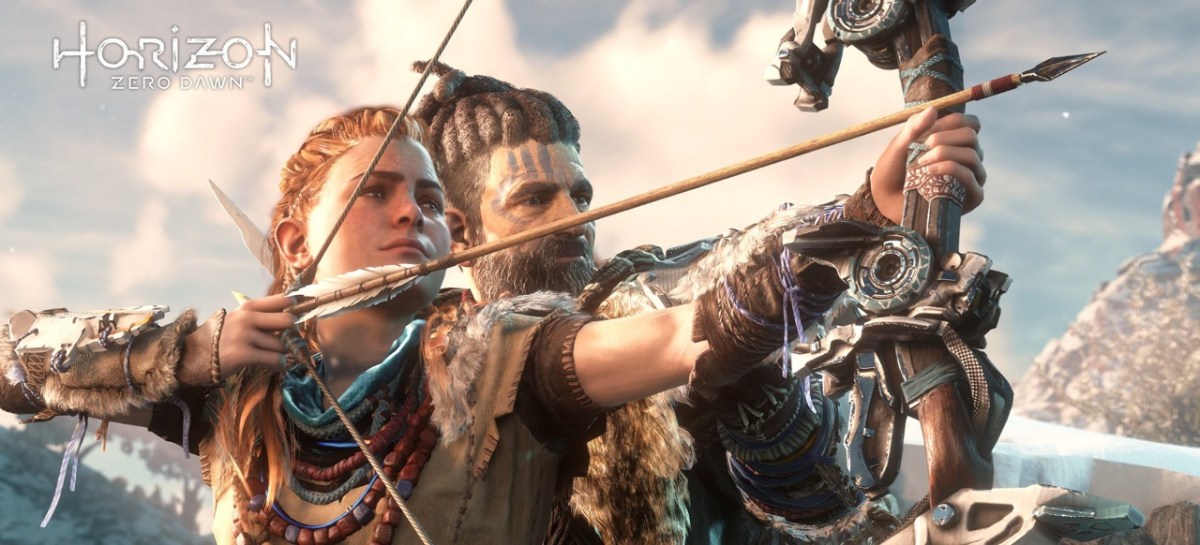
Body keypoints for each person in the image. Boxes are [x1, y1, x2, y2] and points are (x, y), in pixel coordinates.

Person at [0, 105, 857, 545]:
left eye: (432, 199)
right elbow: (11, 362)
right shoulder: (234, 391)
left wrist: (856, 224)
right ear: (295, 243)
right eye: (375, 192)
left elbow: (684, 336)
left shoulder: (508, 362)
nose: (414, 213)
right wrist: (186, 350)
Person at [408, 62, 986, 544]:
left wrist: (865, 213)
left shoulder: (632, 299)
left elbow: (722, 280)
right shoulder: (422, 367)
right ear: (460, 234)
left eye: (580, 196)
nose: (576, 220)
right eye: (535, 199)